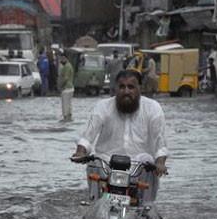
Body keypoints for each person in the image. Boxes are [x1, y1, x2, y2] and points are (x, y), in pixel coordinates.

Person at [71, 70, 169, 201]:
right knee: (93, 163)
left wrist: (160, 162)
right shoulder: (103, 107)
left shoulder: (153, 108)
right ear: (115, 89)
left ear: (140, 88)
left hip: (139, 165)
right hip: (107, 163)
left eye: (131, 87)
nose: (126, 91)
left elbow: (160, 141)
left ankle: (147, 208)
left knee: (149, 164)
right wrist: (80, 152)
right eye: (122, 87)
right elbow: (88, 135)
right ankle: (93, 204)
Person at [58, 53, 75, 121]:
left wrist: (60, 86)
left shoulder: (66, 66)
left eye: (63, 58)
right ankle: (69, 117)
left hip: (66, 88)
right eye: (61, 58)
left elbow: (66, 78)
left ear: (66, 58)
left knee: (65, 105)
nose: (62, 60)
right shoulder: (69, 65)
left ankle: (66, 118)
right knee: (69, 104)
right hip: (70, 88)